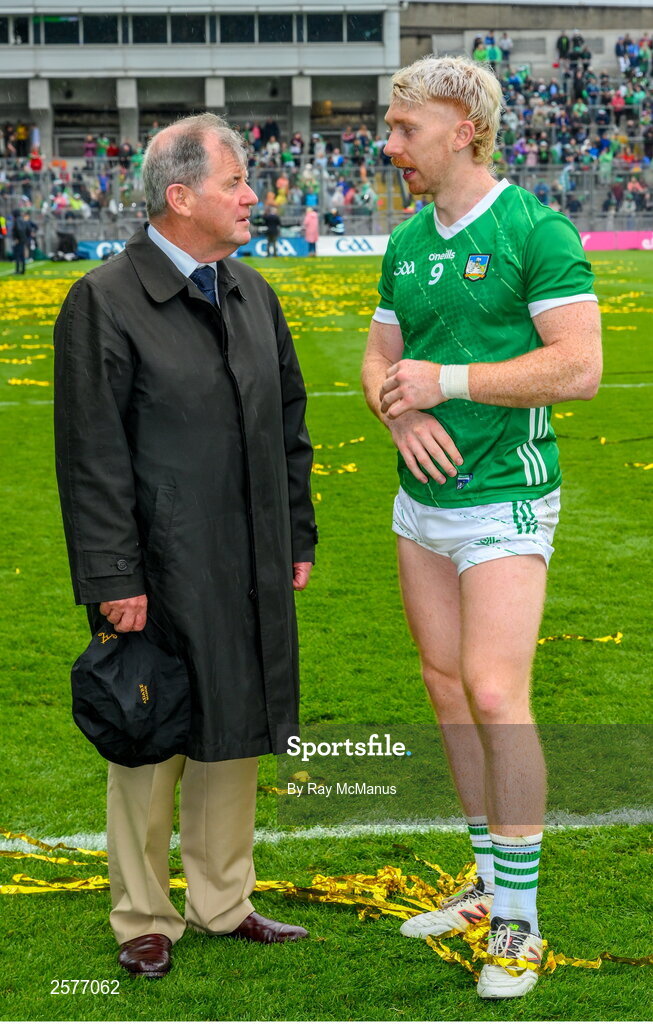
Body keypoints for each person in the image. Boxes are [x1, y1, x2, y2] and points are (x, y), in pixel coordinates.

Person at [53, 113, 317, 979]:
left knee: (233, 728)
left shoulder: (250, 291)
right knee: (151, 729)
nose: (253, 197)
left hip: (247, 558)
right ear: (180, 196)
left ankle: (222, 900)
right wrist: (112, 575)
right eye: (237, 183)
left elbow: (287, 425)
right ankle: (141, 914)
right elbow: (90, 455)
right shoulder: (104, 299)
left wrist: (295, 534)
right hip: (158, 566)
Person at [361, 55, 601, 1000]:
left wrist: (447, 384)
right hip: (419, 505)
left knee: (497, 693)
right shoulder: (407, 239)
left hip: (505, 496)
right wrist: (402, 411)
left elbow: (577, 366)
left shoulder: (534, 229)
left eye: (402, 128)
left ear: (462, 125)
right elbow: (383, 355)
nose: (389, 146)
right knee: (446, 688)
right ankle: (481, 887)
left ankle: (520, 924)